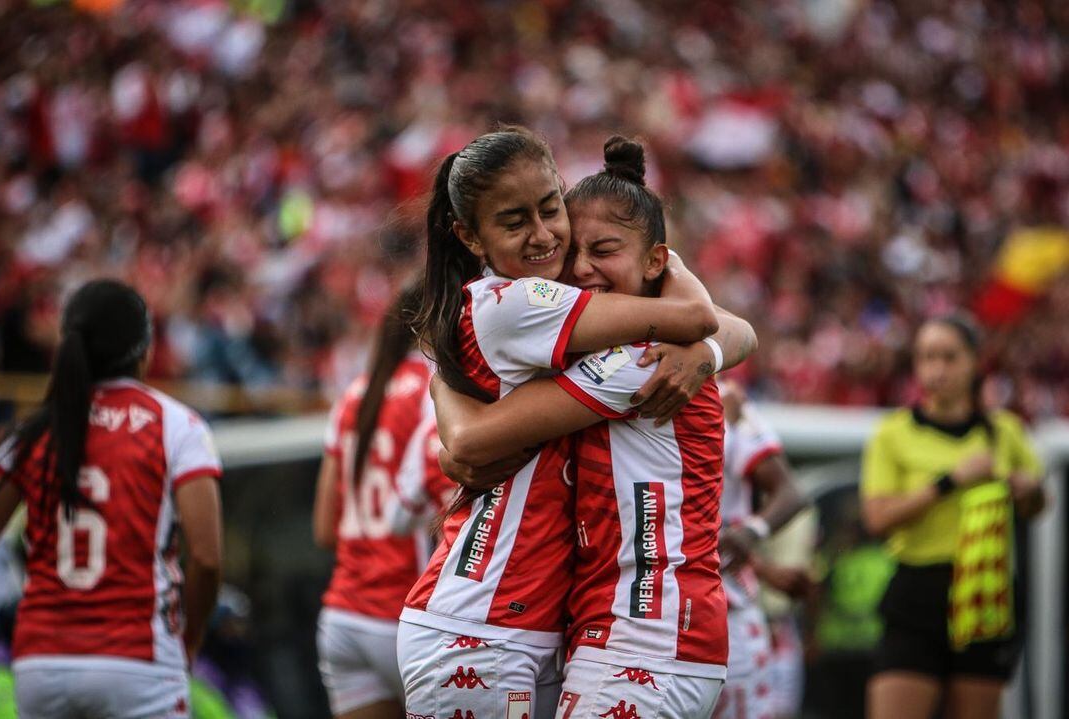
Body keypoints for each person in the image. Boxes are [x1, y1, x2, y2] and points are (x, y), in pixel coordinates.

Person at [398, 127, 726, 719]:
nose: (547, 237)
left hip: (551, 631)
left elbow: (712, 325)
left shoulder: (595, 333)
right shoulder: (527, 306)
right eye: (514, 221)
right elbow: (701, 316)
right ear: (469, 235)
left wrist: (709, 350)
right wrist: (707, 342)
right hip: (484, 626)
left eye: (551, 210)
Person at [0, 279, 223, 718]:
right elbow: (207, 559)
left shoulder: (32, 432)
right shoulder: (176, 425)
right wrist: (189, 640)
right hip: (137, 661)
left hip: (42, 663)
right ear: (144, 351)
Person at [861, 314, 1046, 719]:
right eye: (927, 358)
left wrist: (1028, 490)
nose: (937, 370)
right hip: (918, 589)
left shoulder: (1005, 431)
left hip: (984, 588)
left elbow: (1035, 506)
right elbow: (877, 518)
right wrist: (948, 482)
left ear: (974, 362)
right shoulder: (894, 433)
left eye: (949, 357)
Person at [313, 281, 454, 719]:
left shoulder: (352, 396)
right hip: (403, 616)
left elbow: (325, 530)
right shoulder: (437, 390)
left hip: (342, 618)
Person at [710, 381, 809, 719]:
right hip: (638, 611)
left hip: (726, 609)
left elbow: (791, 492)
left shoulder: (723, 397)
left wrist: (751, 534)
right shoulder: (611, 385)